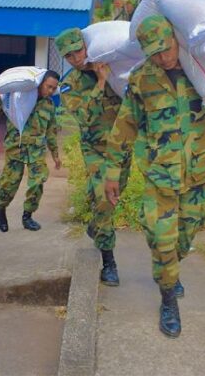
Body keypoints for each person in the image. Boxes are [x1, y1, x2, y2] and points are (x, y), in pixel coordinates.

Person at [104, 15, 205, 338]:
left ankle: (169, 267)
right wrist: (111, 173)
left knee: (184, 237)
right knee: (164, 241)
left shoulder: (204, 68)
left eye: (167, 49)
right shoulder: (142, 79)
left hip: (197, 174)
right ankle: (168, 298)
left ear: (177, 38)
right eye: (155, 54)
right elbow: (124, 126)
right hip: (159, 176)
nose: (164, 58)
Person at [54, 28, 131, 286]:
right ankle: (109, 262)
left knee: (112, 196)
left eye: (78, 50)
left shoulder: (117, 66)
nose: (76, 58)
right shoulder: (70, 85)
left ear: (86, 46)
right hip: (96, 149)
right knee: (105, 199)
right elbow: (84, 118)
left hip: (121, 149)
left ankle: (96, 225)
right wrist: (100, 83)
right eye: (69, 56)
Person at [0, 70, 61, 233]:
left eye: (53, 88)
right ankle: (1, 208)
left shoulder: (49, 105)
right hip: (16, 148)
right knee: (9, 184)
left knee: (37, 183)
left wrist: (55, 154)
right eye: (48, 87)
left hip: (36, 151)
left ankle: (27, 216)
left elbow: (51, 130)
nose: (50, 91)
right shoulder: (18, 97)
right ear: (40, 83)